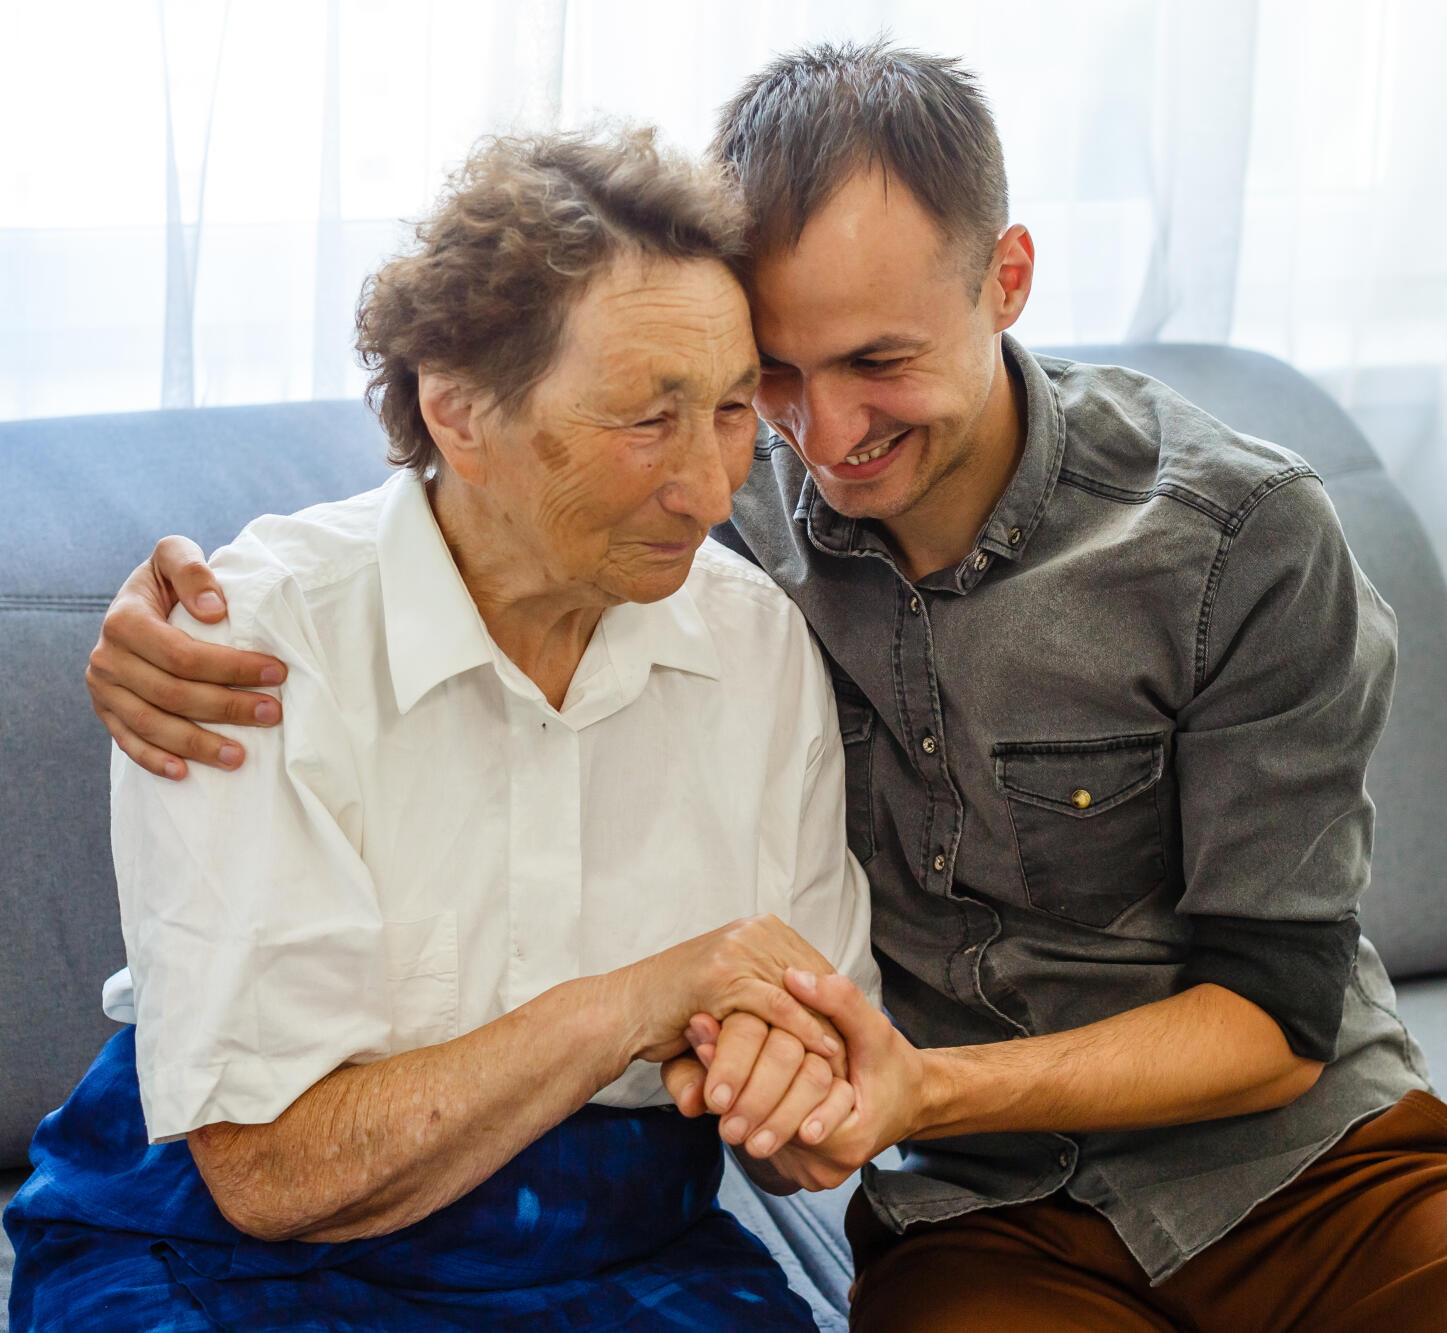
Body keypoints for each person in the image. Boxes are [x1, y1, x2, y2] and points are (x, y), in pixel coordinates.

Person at [81, 41, 1447, 1333]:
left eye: (871, 363)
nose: (811, 439)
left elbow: (1275, 1016)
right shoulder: (702, 525)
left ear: (1008, 279)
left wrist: (885, 1081)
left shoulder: (1233, 533)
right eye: (774, 381)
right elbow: (496, 464)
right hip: (976, 1219)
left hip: (1302, 1160)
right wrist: (155, 613)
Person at [6, 128, 879, 1332]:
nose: (709, 486)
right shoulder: (246, 645)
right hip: (216, 1244)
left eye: (733, 408)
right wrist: (638, 1001)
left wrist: (792, 1098)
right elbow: (270, 1176)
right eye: (645, 420)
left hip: (617, 1242)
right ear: (458, 409)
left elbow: (812, 1138)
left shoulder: (754, 642)